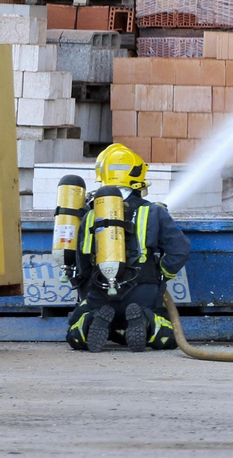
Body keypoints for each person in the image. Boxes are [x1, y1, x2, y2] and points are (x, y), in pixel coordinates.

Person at [65, 143, 191, 353]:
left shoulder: (90, 215)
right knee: (166, 337)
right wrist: (161, 274)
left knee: (74, 334)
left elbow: (83, 262)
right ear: (137, 178)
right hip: (143, 292)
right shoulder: (153, 212)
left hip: (100, 292)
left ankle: (91, 321)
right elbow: (180, 250)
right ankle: (147, 321)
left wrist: (89, 294)